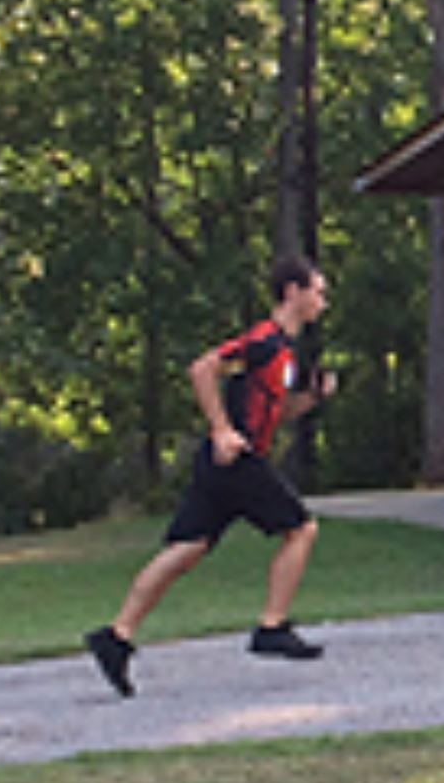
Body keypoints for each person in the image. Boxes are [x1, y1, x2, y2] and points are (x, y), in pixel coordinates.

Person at [86, 255, 336, 697]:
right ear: (293, 293)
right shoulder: (264, 341)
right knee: (301, 529)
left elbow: (273, 414)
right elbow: (202, 368)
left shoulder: (284, 353)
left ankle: (116, 637)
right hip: (237, 461)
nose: (323, 301)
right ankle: (271, 628)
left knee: (187, 549)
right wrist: (222, 430)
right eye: (318, 291)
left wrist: (312, 398)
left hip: (224, 463)